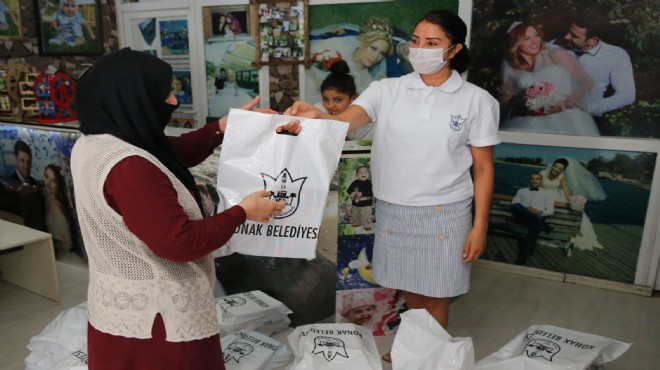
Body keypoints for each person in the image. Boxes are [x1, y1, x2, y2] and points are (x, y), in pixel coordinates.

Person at [287, 10, 500, 362]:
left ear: (453, 49)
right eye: (416, 41)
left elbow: (484, 168)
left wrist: (480, 226)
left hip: (444, 212)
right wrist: (318, 118)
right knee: (409, 288)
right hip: (393, 209)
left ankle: (425, 359)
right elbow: (346, 123)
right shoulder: (387, 89)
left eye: (432, 43)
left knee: (437, 293)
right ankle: (413, 346)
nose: (420, 49)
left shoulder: (476, 100)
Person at [70, 48, 300, 370]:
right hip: (160, 323)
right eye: (165, 95)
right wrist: (243, 212)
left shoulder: (97, 142)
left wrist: (222, 126)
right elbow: (180, 242)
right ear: (134, 98)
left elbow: (167, 157)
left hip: (125, 309)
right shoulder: (130, 167)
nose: (174, 102)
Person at [500, 22, 600, 136]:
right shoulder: (513, 68)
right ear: (516, 43)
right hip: (527, 122)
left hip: (566, 119)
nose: (535, 41)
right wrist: (525, 108)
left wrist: (565, 103)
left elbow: (587, 83)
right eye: (527, 38)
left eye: (536, 35)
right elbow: (506, 100)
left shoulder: (556, 54)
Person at [306, 16, 395, 105]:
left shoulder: (366, 81)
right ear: (364, 43)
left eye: (382, 53)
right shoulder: (339, 51)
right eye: (373, 48)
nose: (376, 57)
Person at [563, 12, 635, 120]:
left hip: (585, 118)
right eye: (569, 31)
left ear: (592, 41)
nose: (566, 36)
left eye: (574, 36)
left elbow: (627, 95)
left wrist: (588, 108)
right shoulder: (554, 45)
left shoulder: (616, 55)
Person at [538, 157, 606, 251]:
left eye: (560, 169)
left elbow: (565, 190)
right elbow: (536, 185)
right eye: (555, 166)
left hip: (556, 196)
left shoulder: (561, 176)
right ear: (552, 165)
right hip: (542, 196)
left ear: (563, 170)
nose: (556, 169)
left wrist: (570, 199)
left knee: (567, 210)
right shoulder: (542, 173)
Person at [313, 60, 375, 141]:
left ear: (353, 98)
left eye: (338, 100)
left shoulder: (364, 114)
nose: (330, 106)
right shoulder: (319, 110)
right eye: (326, 99)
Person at [510, 173, 555, 265]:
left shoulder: (547, 194)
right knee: (515, 206)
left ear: (541, 181)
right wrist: (527, 209)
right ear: (529, 180)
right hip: (523, 217)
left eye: (537, 179)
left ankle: (522, 259)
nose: (535, 181)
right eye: (532, 179)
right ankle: (543, 225)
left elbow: (551, 210)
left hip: (538, 216)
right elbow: (515, 203)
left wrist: (540, 212)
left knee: (534, 229)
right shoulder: (521, 191)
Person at [43, 164, 82, 257]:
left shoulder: (59, 208)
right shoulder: (44, 200)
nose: (48, 183)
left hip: (64, 255)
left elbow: (67, 244)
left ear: (58, 184)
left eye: (53, 181)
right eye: (46, 177)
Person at [347, 165, 373, 232]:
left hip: (366, 204)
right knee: (356, 214)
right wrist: (351, 192)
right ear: (357, 175)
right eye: (360, 172)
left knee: (366, 216)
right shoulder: (355, 182)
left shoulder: (369, 183)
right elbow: (349, 190)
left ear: (369, 174)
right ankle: (357, 223)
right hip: (356, 204)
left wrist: (362, 194)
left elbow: (371, 192)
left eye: (365, 172)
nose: (363, 174)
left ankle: (367, 226)